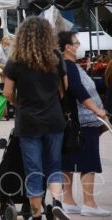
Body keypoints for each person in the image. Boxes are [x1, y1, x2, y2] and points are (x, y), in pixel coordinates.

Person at [3, 17, 70, 220]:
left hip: (29, 121)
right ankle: (57, 201)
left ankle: (36, 214)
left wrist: (18, 103)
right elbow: (64, 88)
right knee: (54, 165)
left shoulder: (16, 60)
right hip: (53, 119)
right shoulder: (56, 57)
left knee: (33, 169)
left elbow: (7, 92)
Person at [58, 31, 110, 217]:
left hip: (76, 120)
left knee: (69, 159)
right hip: (84, 120)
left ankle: (69, 201)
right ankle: (89, 203)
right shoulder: (69, 66)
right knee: (89, 161)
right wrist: (97, 110)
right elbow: (79, 91)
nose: (79, 45)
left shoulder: (70, 66)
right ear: (67, 47)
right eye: (76, 43)